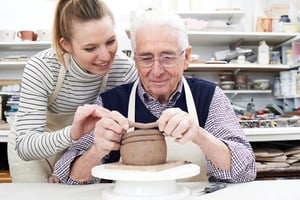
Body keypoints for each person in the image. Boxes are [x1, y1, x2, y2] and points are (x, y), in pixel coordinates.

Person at [53, 10, 256, 184]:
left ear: (185, 57)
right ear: (135, 60)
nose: (156, 71)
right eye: (146, 58)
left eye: (167, 57)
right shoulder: (111, 104)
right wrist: (96, 150)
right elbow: (69, 178)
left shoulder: (209, 97)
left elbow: (245, 171)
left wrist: (199, 135)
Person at [7, 0, 137, 183]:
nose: (106, 56)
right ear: (65, 45)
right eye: (90, 48)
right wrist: (72, 134)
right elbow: (26, 146)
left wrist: (70, 163)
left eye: (110, 42)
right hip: (36, 155)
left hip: (82, 151)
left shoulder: (124, 70)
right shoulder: (42, 67)